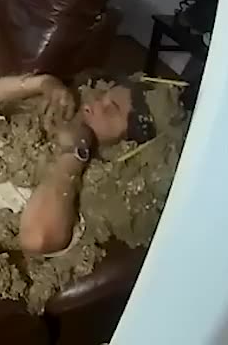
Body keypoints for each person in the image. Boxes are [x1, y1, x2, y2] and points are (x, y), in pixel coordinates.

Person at [18, 79, 157, 254]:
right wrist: (44, 83)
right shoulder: (61, 113)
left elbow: (36, 238)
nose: (91, 105)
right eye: (101, 97)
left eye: (109, 110)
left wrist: (75, 152)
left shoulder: (99, 187)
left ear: (125, 145)